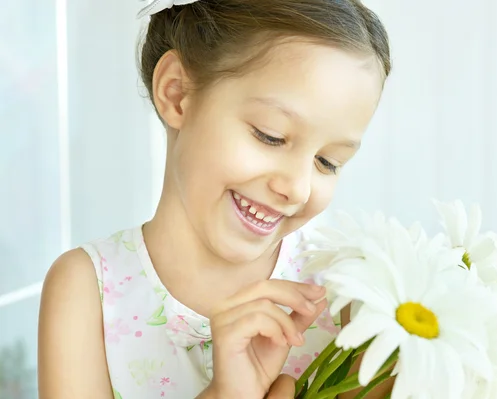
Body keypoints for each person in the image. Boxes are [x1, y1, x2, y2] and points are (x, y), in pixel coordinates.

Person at [38, 0, 391, 398]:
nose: (298, 187)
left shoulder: (349, 295)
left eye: (328, 162)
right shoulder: (88, 291)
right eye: (270, 135)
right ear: (177, 94)